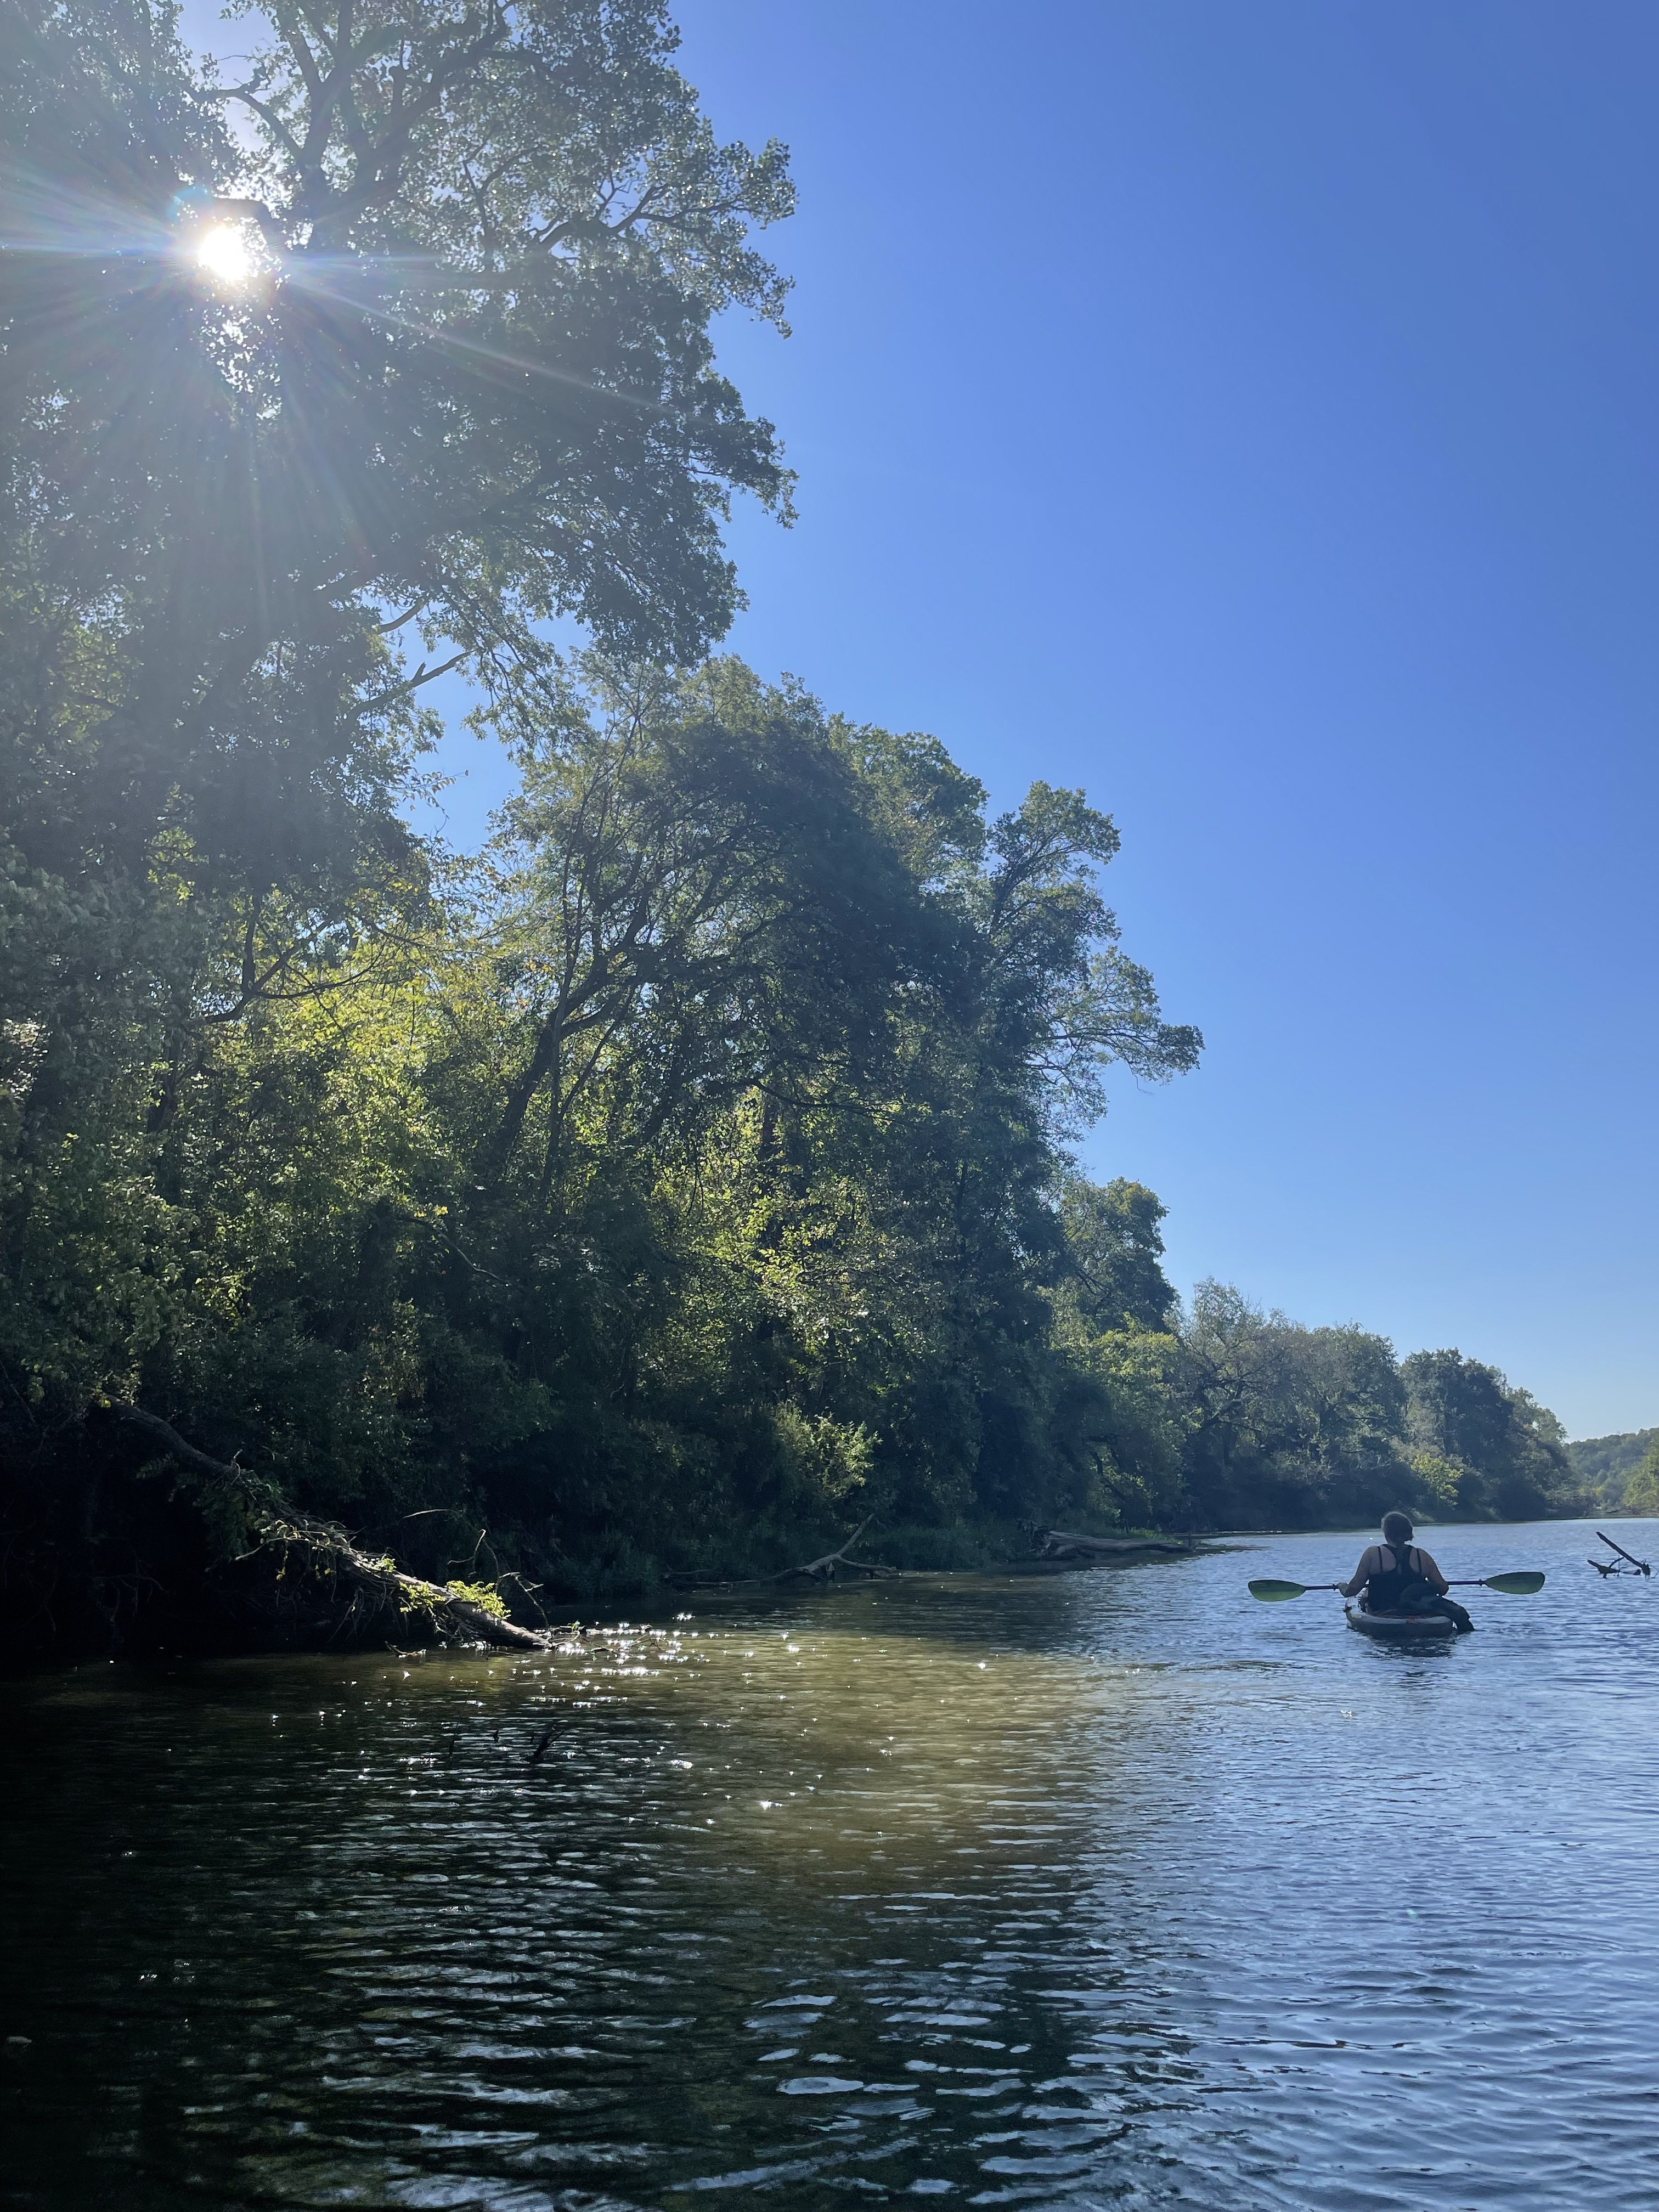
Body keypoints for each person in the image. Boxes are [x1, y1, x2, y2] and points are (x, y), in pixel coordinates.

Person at [1340, 1511, 1474, 1633]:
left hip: (1382, 1610)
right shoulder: (1421, 1555)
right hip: (1417, 1610)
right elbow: (1443, 1588)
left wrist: (1342, 1586)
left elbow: (1351, 1591)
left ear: (1386, 1532)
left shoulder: (1373, 1554)